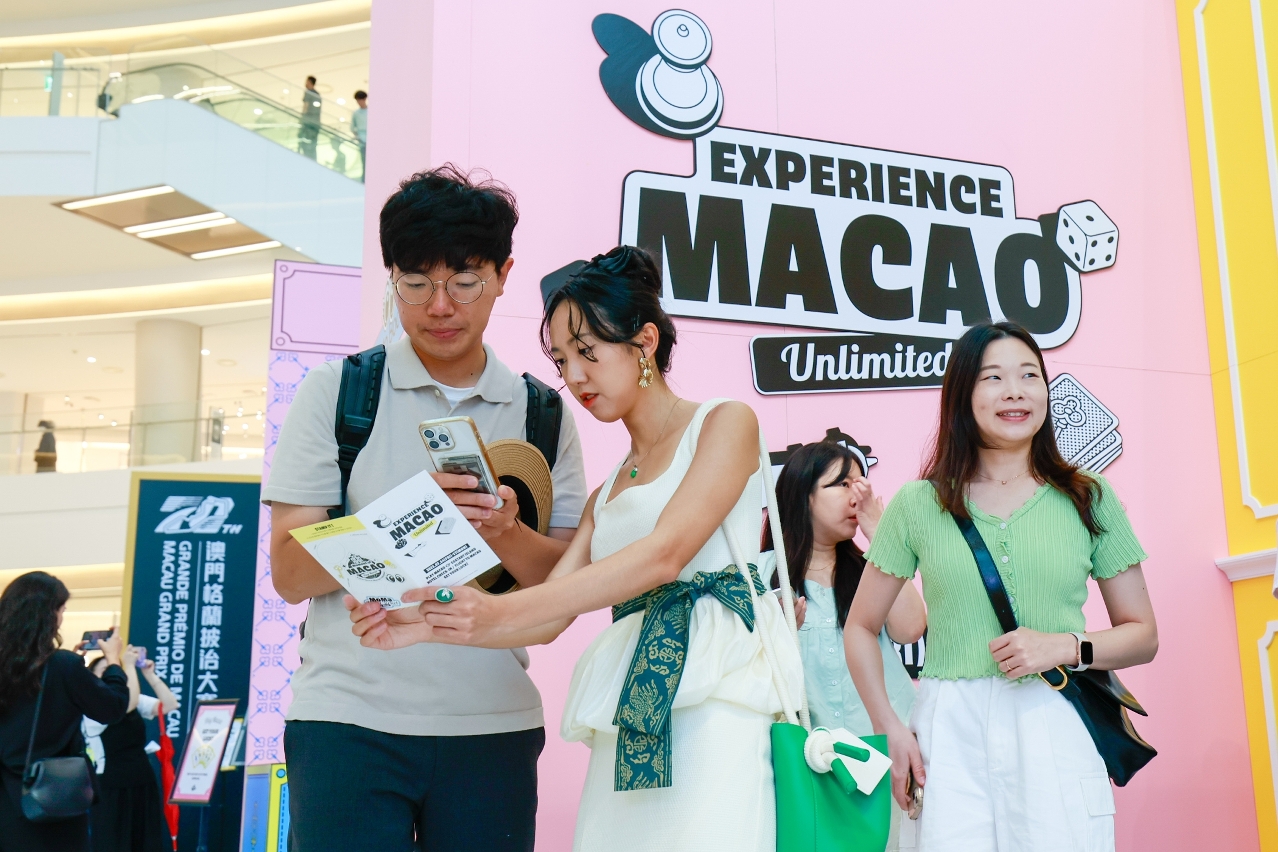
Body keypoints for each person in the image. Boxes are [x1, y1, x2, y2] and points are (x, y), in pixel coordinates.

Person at [347, 246, 804, 852]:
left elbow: (664, 556)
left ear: (644, 343)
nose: (575, 377)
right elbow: (549, 614)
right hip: (632, 704)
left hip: (716, 698)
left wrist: (493, 610)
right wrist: (422, 620)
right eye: (562, 360)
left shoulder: (725, 422)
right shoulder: (607, 492)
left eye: (588, 351)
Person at [264, 165, 588, 852]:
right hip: (347, 722)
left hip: (492, 724)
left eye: (465, 281)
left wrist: (504, 529)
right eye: (415, 283)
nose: (440, 306)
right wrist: (413, 519)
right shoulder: (339, 393)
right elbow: (290, 573)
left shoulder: (542, 413)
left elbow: (562, 587)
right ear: (392, 278)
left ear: (502, 275)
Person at [845, 320, 1158, 852]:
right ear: (963, 396)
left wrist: (1064, 647)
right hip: (949, 728)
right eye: (993, 377)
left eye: (1029, 375)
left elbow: (1143, 635)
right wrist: (890, 727)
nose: (1015, 391)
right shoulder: (920, 503)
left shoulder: (1089, 497)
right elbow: (860, 627)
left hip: (1053, 715)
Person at [762, 440, 925, 850]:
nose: (858, 495)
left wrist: (882, 536)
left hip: (884, 756)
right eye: (842, 484)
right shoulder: (763, 576)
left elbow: (911, 628)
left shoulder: (873, 568)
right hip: (808, 761)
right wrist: (777, 635)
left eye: (861, 482)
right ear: (803, 494)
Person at [0, 572, 129, 852]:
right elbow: (112, 708)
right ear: (49, 615)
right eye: (61, 610)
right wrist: (113, 663)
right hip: (49, 798)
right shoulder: (62, 665)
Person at [85, 647, 179, 852]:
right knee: (113, 843)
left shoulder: (130, 698)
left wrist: (149, 675)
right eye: (105, 671)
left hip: (142, 780)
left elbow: (169, 705)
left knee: (146, 842)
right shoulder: (91, 705)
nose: (111, 675)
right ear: (92, 678)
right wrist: (128, 665)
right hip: (110, 785)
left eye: (114, 670)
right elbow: (128, 703)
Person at [298, 75, 321, 160]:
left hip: (308, 122)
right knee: (313, 145)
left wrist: (302, 118)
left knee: (304, 143)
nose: (305, 83)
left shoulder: (308, 92)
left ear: (310, 82)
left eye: (306, 81)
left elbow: (306, 106)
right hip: (316, 124)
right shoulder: (317, 94)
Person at [351, 90, 368, 181]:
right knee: (364, 162)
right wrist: (357, 136)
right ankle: (364, 180)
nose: (359, 102)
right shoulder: (356, 113)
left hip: (371, 141)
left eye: (360, 99)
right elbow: (352, 127)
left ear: (364, 99)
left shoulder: (370, 111)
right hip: (362, 142)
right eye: (357, 100)